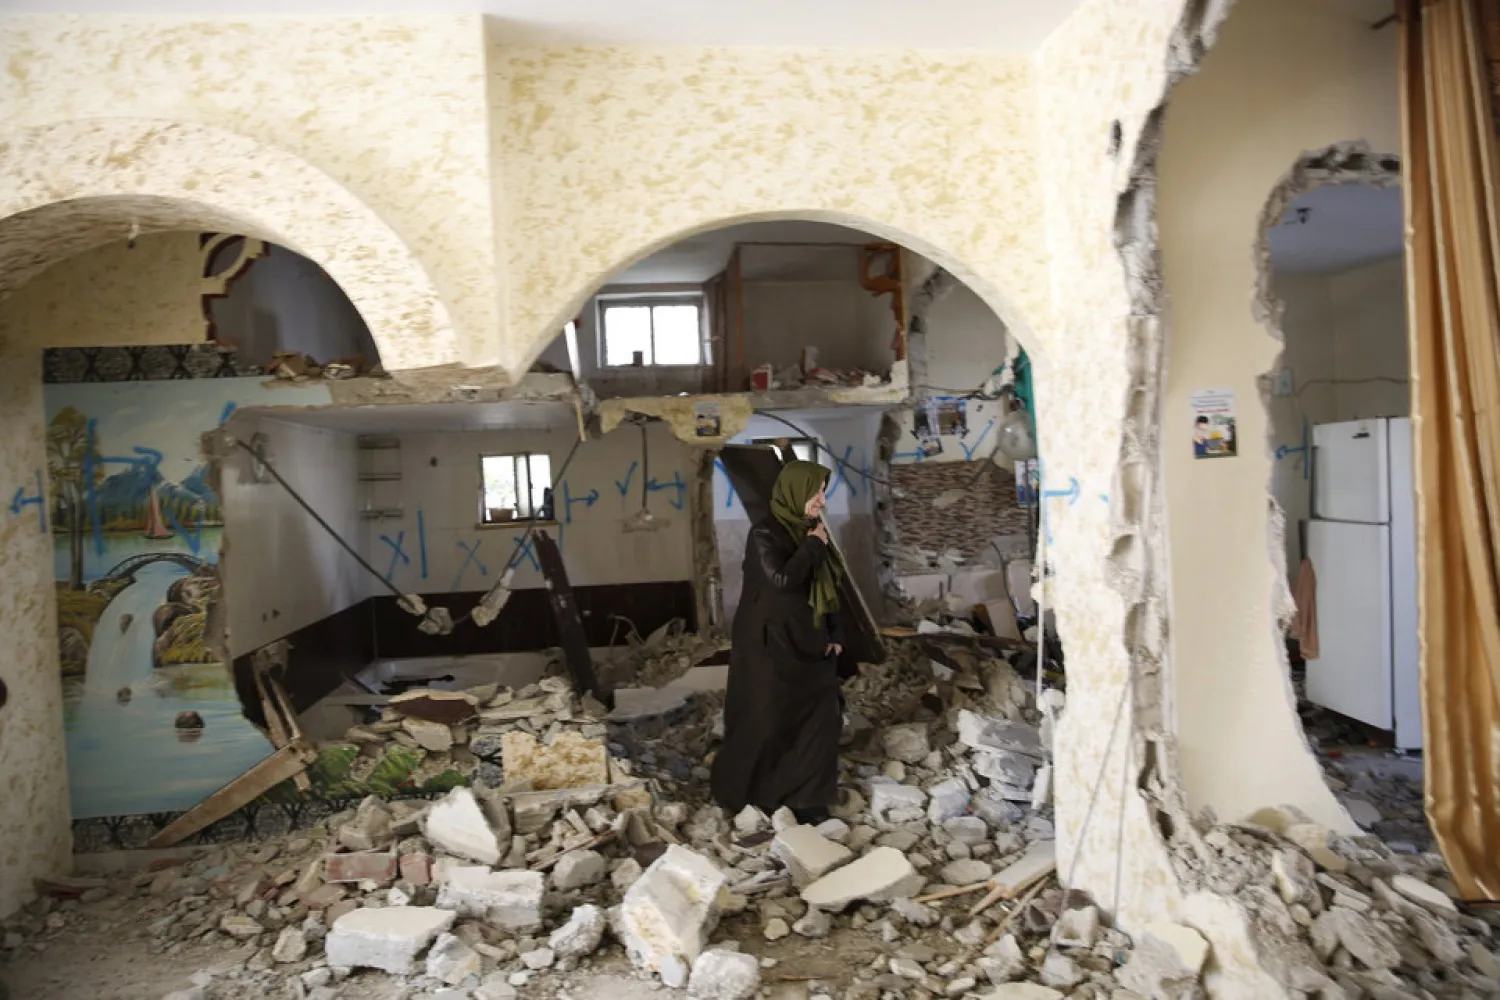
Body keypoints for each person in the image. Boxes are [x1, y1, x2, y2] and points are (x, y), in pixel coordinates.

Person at [711, 460, 846, 826]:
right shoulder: (765, 534)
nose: (821, 501)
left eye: (822, 493)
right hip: (769, 645)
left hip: (809, 642)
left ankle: (808, 799)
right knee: (768, 722)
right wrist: (813, 546)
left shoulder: (813, 532)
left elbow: (827, 586)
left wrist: (835, 633)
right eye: (815, 493)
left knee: (819, 721)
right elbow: (782, 579)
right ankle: (750, 794)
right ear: (795, 492)